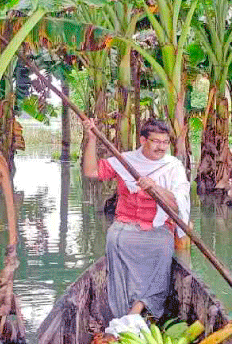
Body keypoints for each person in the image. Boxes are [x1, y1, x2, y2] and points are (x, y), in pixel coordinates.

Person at [81, 118, 190, 319]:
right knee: (115, 240)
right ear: (142, 140)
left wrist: (155, 187)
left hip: (158, 229)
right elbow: (91, 171)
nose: (162, 147)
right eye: (156, 141)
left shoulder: (173, 166)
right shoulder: (125, 160)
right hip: (125, 225)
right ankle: (122, 309)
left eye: (165, 142)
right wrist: (91, 139)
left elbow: (178, 205)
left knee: (162, 250)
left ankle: (139, 308)